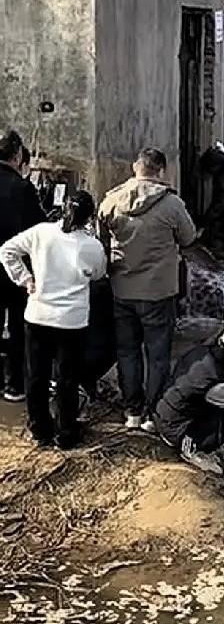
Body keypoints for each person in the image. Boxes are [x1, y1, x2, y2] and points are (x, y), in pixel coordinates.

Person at [98, 149, 196, 432]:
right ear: (161, 171)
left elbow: (100, 241)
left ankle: (132, 412)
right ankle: (153, 416)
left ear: (135, 168)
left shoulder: (111, 200)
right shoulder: (172, 204)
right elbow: (188, 238)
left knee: (127, 352)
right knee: (157, 354)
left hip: (122, 289)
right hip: (158, 292)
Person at [0, 191, 107, 448]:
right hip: (71, 321)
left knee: (35, 375)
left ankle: (39, 428)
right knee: (66, 378)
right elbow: (98, 274)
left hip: (38, 314)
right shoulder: (92, 245)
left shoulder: (41, 232)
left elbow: (7, 250)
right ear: (89, 218)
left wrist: (25, 279)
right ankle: (66, 432)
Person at [155, 323, 224, 476]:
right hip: (173, 429)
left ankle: (194, 440)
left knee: (215, 405)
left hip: (161, 411)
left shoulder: (201, 351)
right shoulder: (218, 384)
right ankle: (192, 449)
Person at [0, 127, 45, 403]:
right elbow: (39, 227)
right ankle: (14, 384)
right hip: (15, 269)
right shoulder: (22, 187)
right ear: (17, 155)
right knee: (18, 326)